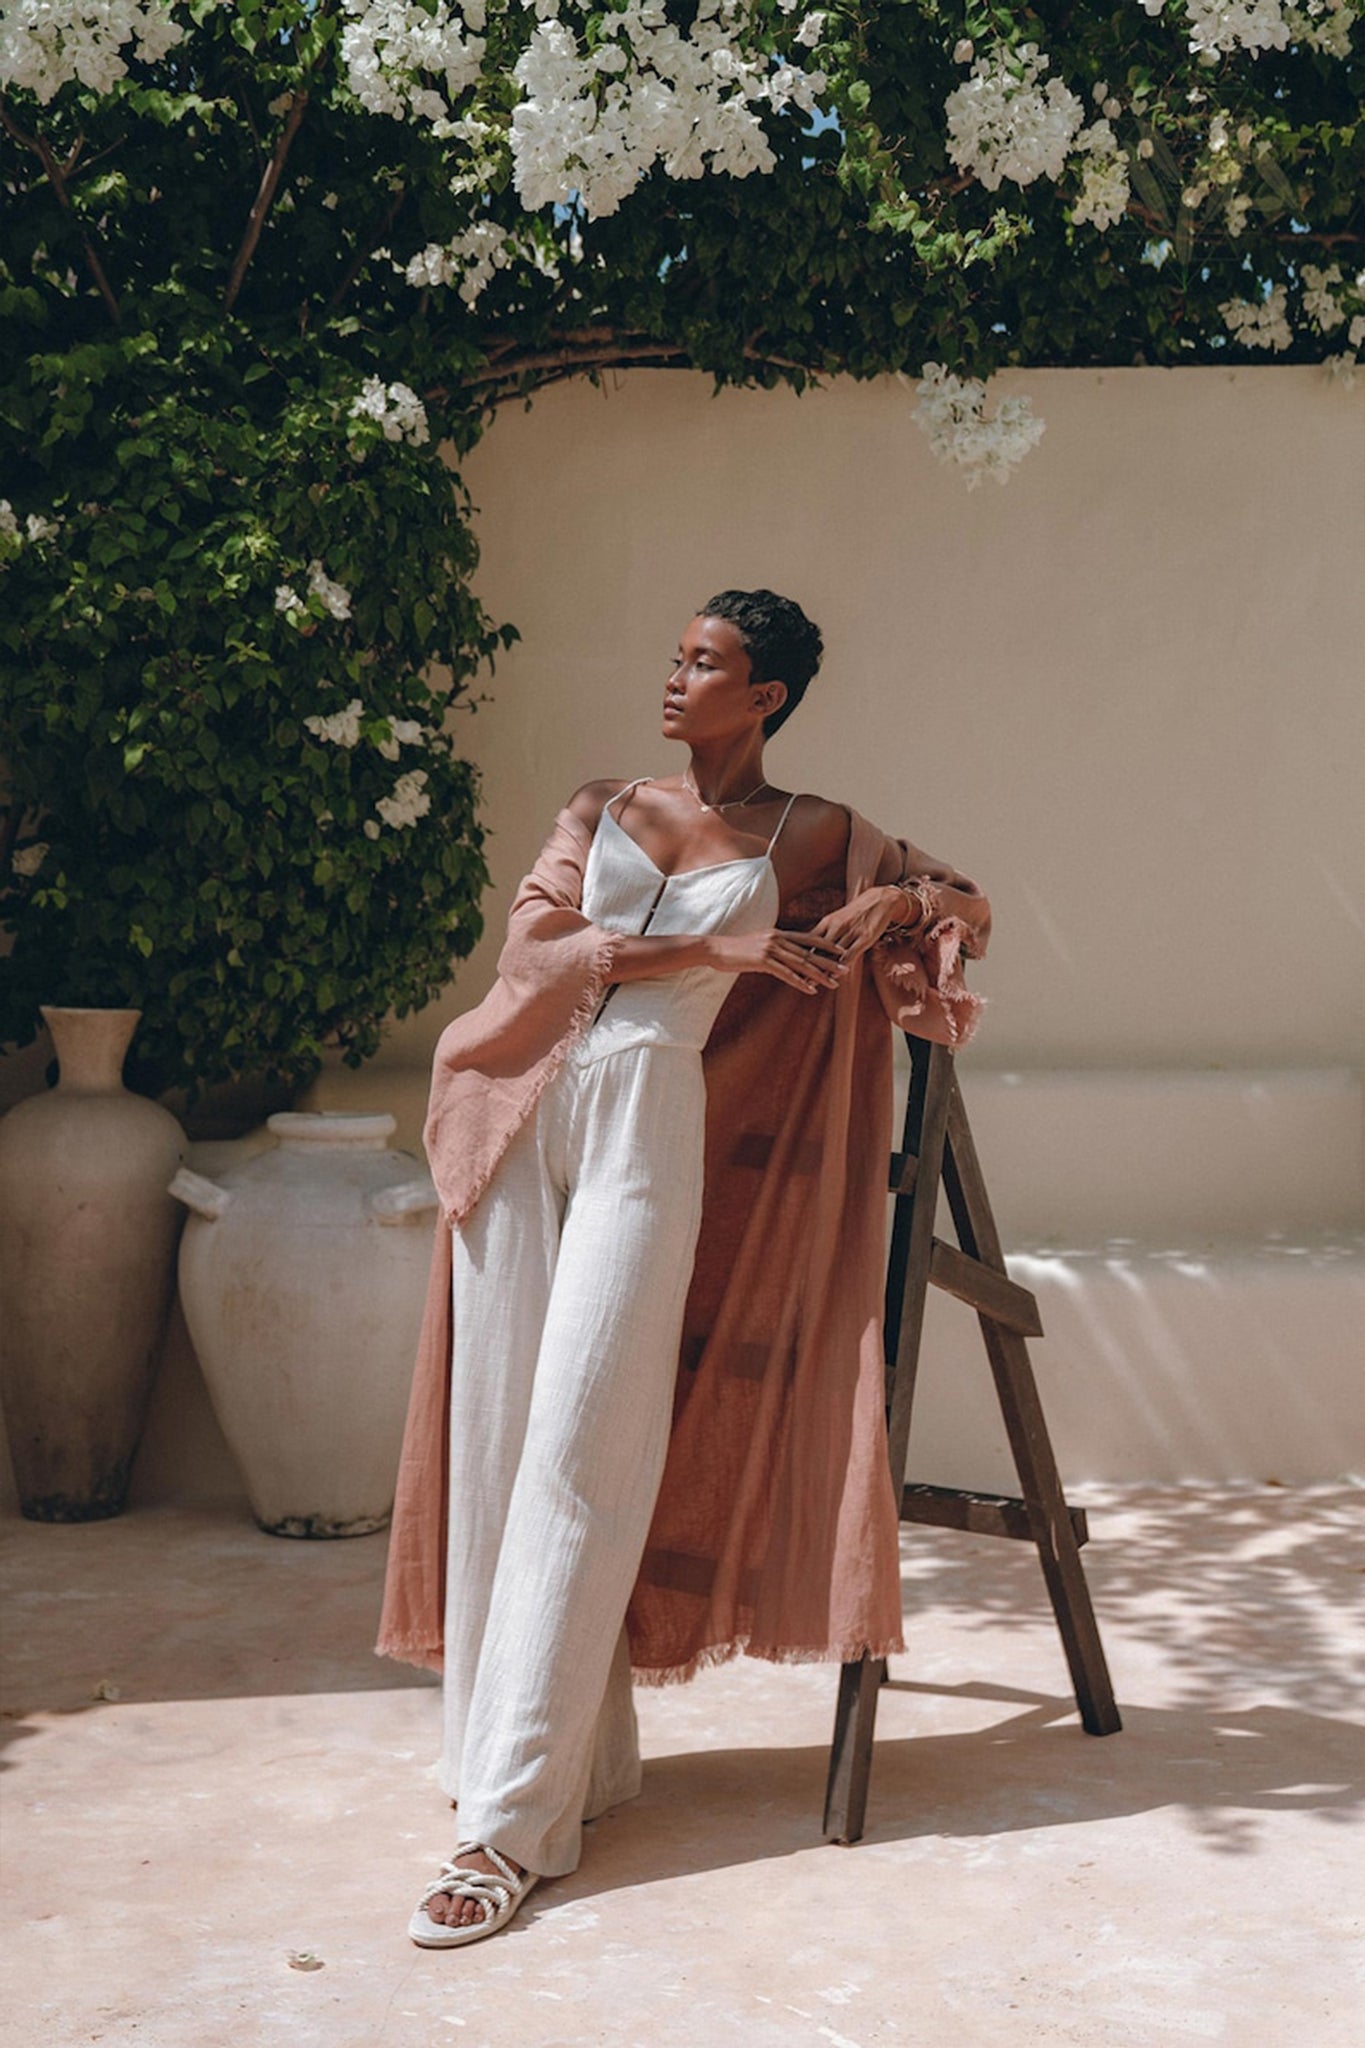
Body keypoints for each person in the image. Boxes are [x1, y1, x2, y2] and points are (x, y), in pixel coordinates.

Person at [377, 590, 991, 1948]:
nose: (674, 677)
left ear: (764, 695)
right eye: (674, 655)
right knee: (499, 1450)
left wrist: (891, 897)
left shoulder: (812, 830)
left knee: (584, 1454)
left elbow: (967, 907)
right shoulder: (603, 806)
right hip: (517, 1117)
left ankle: (505, 1834)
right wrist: (719, 945)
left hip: (648, 1126)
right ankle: (556, 1767)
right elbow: (534, 950)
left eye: (704, 663)